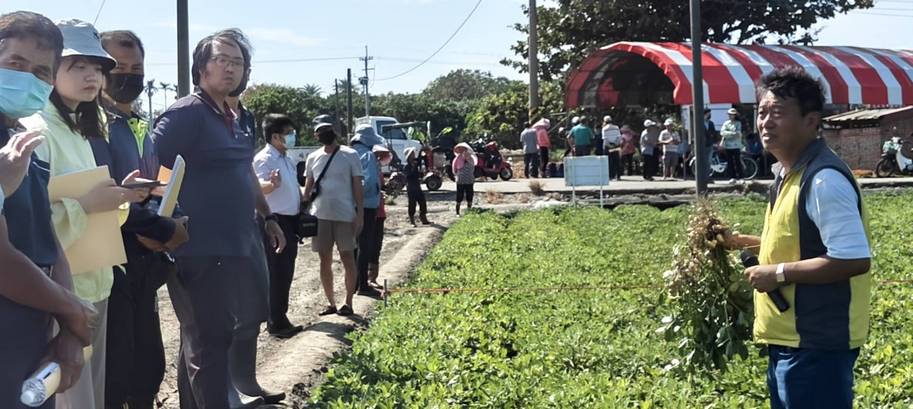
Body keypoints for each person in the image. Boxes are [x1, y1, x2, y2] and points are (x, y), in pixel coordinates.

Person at [20, 19, 153, 409]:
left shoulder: (78, 129)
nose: (92, 75)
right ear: (51, 67)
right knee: (68, 397)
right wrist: (85, 206)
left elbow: (96, 218)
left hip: (95, 287)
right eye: (78, 66)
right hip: (59, 295)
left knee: (90, 394)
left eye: (98, 67)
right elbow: (28, 232)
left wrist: (118, 198)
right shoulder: (37, 129)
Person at [151, 28, 286, 409]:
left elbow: (244, 171)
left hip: (237, 239)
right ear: (201, 67)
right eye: (221, 60)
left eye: (237, 62)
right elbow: (152, 168)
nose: (230, 68)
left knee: (210, 334)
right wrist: (164, 224)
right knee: (210, 338)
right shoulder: (186, 114)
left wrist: (268, 215)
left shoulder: (240, 116)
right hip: (197, 245)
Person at [722, 67, 871, 409]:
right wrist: (738, 241)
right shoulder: (789, 174)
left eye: (778, 113)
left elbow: (853, 258)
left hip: (815, 344)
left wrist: (775, 273)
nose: (766, 122)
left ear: (811, 121)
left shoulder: (823, 180)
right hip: (789, 341)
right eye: (761, 113)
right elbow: (800, 242)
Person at [0, 11, 98, 408]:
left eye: (41, 71)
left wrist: (70, 332)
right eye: (15, 64)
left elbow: (48, 239)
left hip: (34, 337)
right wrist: (72, 310)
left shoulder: (24, 141)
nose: (28, 78)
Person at [98, 29, 189, 409]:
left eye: (137, 67)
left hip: (145, 264)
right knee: (114, 373)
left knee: (147, 366)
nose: (130, 75)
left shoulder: (139, 125)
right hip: (110, 266)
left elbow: (153, 185)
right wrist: (159, 229)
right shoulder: (94, 128)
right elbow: (105, 195)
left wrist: (172, 217)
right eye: (119, 67)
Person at [304, 122, 363, 317]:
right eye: (320, 131)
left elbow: (357, 186)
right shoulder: (313, 157)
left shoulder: (350, 155)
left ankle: (348, 302)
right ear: (316, 135)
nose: (323, 134)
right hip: (320, 215)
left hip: (345, 215)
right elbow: (308, 188)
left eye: (326, 130)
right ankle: (331, 303)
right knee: (324, 259)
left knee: (347, 257)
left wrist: (360, 213)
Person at [253, 114, 304, 339]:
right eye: (288, 133)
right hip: (274, 221)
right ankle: (275, 321)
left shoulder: (286, 159)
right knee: (276, 272)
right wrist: (271, 185)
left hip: (290, 222)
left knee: (286, 271)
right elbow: (256, 189)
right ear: (275, 136)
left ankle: (280, 317)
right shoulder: (264, 159)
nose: (292, 137)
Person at [349, 125, 384, 299]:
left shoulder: (348, 153)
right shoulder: (368, 155)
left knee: (353, 245)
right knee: (365, 244)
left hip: (348, 206)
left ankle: (354, 283)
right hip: (367, 205)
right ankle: (363, 284)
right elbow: (368, 181)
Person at [369, 145, 393, 289]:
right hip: (369, 211)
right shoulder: (367, 170)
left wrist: (387, 188)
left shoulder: (378, 172)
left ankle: (373, 277)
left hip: (380, 212)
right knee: (367, 245)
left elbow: (382, 188)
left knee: (376, 245)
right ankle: (365, 277)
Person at [403, 147, 431, 226]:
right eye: (412, 154)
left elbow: (422, 158)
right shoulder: (406, 166)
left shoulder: (415, 163)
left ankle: (423, 218)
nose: (413, 155)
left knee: (422, 202)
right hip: (411, 187)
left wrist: (422, 150)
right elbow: (408, 175)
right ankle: (412, 220)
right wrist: (413, 168)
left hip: (417, 186)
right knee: (412, 204)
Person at [721, 107, 745, 184]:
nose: (731, 116)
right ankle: (732, 177)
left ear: (735, 115)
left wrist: (728, 133)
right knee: (730, 162)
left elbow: (738, 133)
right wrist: (732, 133)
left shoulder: (738, 123)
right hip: (728, 146)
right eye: (730, 114)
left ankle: (741, 177)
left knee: (738, 162)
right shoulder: (726, 123)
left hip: (736, 145)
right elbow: (722, 132)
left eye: (733, 114)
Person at [453, 142, 476, 215]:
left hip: (469, 179)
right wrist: (456, 175)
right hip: (460, 180)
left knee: (469, 195)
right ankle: (457, 212)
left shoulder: (471, 158)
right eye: (459, 149)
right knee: (459, 195)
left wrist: (467, 158)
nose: (461, 150)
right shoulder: (457, 159)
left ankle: (469, 210)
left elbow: (473, 166)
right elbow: (454, 169)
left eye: (462, 149)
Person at [602, 115, 622, 180]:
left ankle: (611, 176)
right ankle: (618, 176)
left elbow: (605, 139)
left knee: (609, 162)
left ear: (605, 121)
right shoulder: (616, 127)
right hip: (616, 146)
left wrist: (610, 146)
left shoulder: (604, 129)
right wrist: (615, 144)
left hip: (608, 146)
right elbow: (619, 137)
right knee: (616, 160)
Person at [702, 108, 718, 183]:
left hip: (709, 144)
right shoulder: (699, 122)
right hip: (702, 145)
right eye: (708, 113)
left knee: (708, 162)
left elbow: (714, 133)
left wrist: (716, 142)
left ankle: (707, 177)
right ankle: (702, 178)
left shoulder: (711, 123)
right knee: (703, 161)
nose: (709, 115)